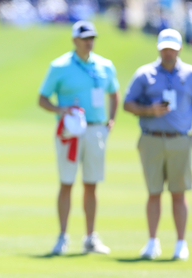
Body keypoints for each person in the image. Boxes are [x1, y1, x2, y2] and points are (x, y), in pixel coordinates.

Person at [123, 28, 192, 260]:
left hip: (180, 141)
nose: (168, 52)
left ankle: (181, 244)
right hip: (151, 138)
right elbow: (127, 104)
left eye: (172, 47)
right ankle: (152, 243)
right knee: (153, 193)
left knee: (178, 194)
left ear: (180, 48)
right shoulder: (145, 74)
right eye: (164, 47)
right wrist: (148, 110)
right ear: (159, 48)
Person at [38, 21, 119, 256]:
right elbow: (43, 98)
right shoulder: (60, 66)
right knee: (66, 183)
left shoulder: (105, 66)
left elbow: (114, 93)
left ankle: (91, 238)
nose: (89, 42)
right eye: (85, 38)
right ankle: (63, 237)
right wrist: (59, 110)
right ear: (75, 40)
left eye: (92, 37)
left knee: (91, 184)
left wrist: (111, 120)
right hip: (69, 133)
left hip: (96, 129)